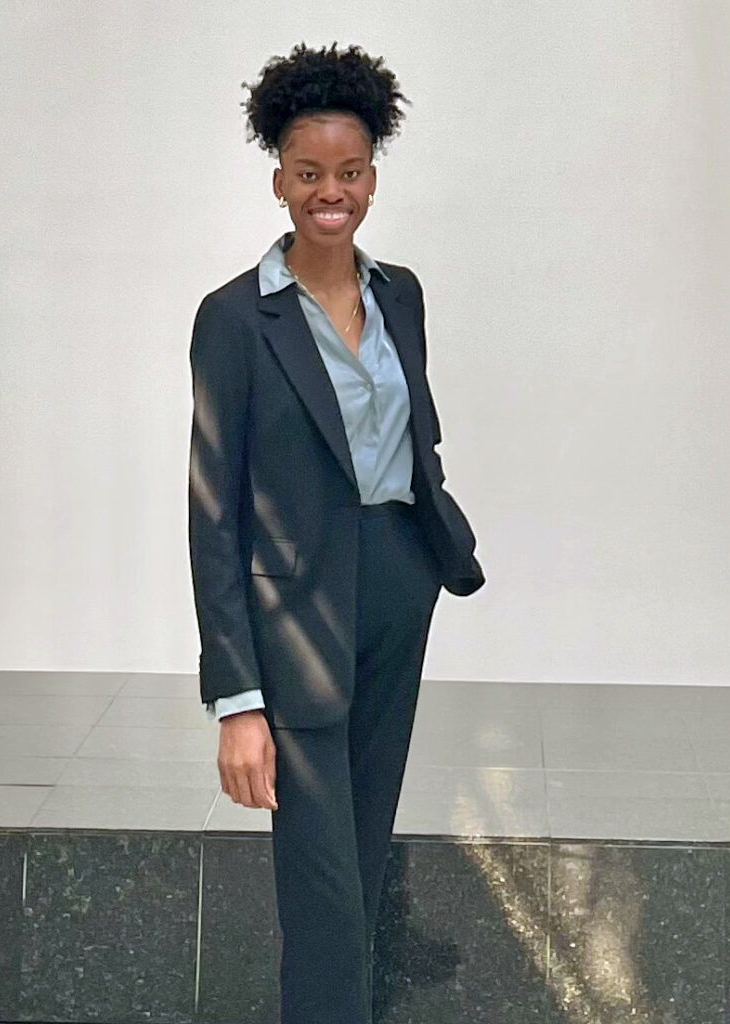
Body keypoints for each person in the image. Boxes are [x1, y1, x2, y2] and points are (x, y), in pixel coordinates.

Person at [187, 41, 485, 1024]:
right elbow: (214, 510)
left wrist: (432, 533)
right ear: (279, 180)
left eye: (349, 173)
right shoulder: (234, 320)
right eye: (310, 173)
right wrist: (236, 695)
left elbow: (414, 426)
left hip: (398, 582)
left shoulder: (401, 292)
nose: (332, 191)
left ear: (371, 177)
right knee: (320, 872)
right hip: (296, 615)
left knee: (363, 837)